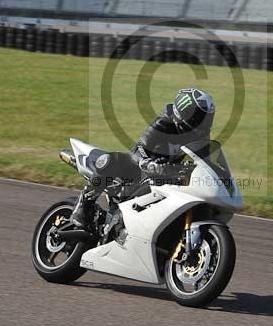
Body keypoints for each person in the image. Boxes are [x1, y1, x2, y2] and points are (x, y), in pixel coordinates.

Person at [71, 88, 215, 227]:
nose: (202, 123)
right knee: (109, 160)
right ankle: (84, 204)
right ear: (184, 112)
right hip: (138, 169)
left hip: (166, 175)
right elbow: (138, 149)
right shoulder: (165, 123)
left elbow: (206, 162)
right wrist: (149, 163)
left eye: (206, 119)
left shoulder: (200, 135)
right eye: (198, 118)